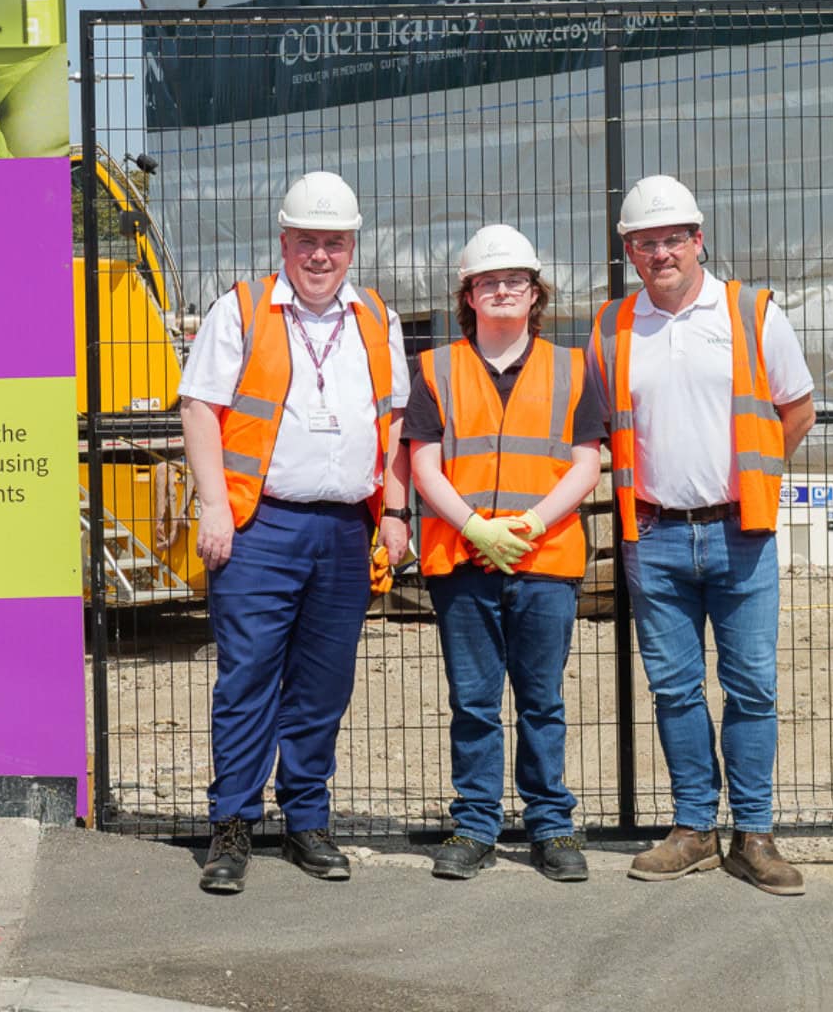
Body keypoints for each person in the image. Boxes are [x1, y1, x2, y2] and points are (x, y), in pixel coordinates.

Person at [179, 170, 411, 895]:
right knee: (247, 677)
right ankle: (233, 824)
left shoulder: (376, 318)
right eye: (307, 240)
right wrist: (214, 506)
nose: (320, 255)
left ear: (352, 247)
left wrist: (396, 512)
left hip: (345, 529)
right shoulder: (242, 309)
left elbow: (395, 423)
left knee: (322, 683)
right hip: (260, 526)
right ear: (284, 241)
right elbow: (198, 408)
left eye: (333, 242)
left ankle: (307, 820)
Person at [587, 175, 816, 896]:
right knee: (675, 690)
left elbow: (798, 409)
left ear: (698, 239)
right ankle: (693, 829)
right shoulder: (611, 328)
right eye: (645, 243)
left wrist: (754, 479)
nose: (661, 253)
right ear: (629, 251)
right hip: (653, 536)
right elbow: (601, 424)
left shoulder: (751, 313)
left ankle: (753, 834)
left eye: (672, 239)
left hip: (739, 532)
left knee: (751, 687)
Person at [405, 224, 603, 882]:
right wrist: (475, 528)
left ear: (535, 292)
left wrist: (528, 525)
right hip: (463, 562)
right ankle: (475, 825)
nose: (502, 291)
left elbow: (586, 464)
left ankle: (551, 826)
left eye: (514, 280)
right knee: (474, 702)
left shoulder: (573, 368)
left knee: (541, 700)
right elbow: (424, 465)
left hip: (545, 560)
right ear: (468, 295)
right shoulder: (434, 369)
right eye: (488, 281)